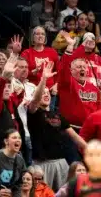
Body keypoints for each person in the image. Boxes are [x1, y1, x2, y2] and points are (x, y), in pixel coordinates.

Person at [27, 61, 78, 190]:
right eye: (42, 93)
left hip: (60, 162)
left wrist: (89, 149)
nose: (46, 94)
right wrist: (44, 79)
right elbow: (35, 100)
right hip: (42, 164)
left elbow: (75, 137)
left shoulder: (57, 115)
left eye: (48, 93)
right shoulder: (33, 112)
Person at [0, 54, 25, 156]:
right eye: (4, 87)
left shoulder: (10, 102)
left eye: (8, 87)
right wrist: (3, 78)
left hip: (13, 151)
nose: (7, 89)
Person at [58, 32, 101, 129]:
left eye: (84, 67)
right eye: (78, 67)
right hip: (71, 128)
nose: (82, 69)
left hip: (90, 129)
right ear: (71, 70)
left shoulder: (94, 88)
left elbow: (100, 108)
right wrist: (70, 46)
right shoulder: (67, 83)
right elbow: (64, 68)